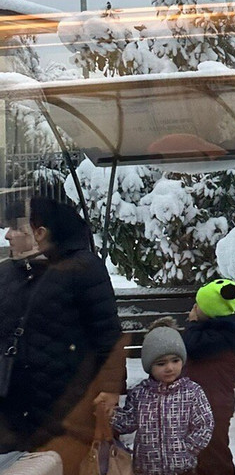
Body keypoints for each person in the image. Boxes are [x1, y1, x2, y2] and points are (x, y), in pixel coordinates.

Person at [0, 195, 125, 475]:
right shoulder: (7, 272)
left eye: (16, 228)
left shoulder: (83, 268)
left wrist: (110, 389)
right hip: (11, 410)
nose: (7, 234)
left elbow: (107, 335)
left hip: (65, 408)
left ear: (40, 233)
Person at [112, 319, 213, 475]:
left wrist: (187, 448)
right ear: (149, 365)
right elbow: (128, 422)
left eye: (175, 360)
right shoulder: (140, 393)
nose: (169, 368)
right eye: (161, 363)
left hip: (182, 469)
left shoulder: (192, 392)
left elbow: (205, 424)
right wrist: (110, 415)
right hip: (146, 468)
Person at [183, 279, 235, 475]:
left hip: (213, 404)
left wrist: (193, 324)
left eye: (199, 305)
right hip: (209, 400)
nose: (194, 307)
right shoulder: (224, 330)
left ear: (212, 312)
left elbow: (191, 346)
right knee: (205, 450)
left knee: (214, 452)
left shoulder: (219, 338)